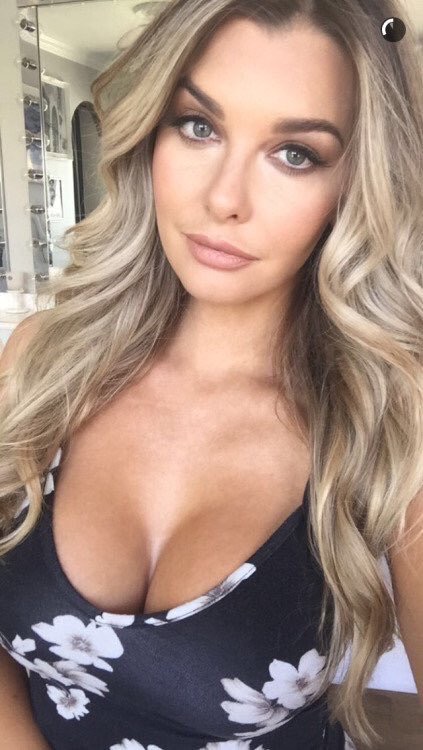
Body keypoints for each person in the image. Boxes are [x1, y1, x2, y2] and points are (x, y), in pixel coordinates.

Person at [0, 1, 422, 748]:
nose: (224, 199)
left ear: (356, 184)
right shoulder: (45, 360)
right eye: (198, 126)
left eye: (295, 154)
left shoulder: (391, 416)